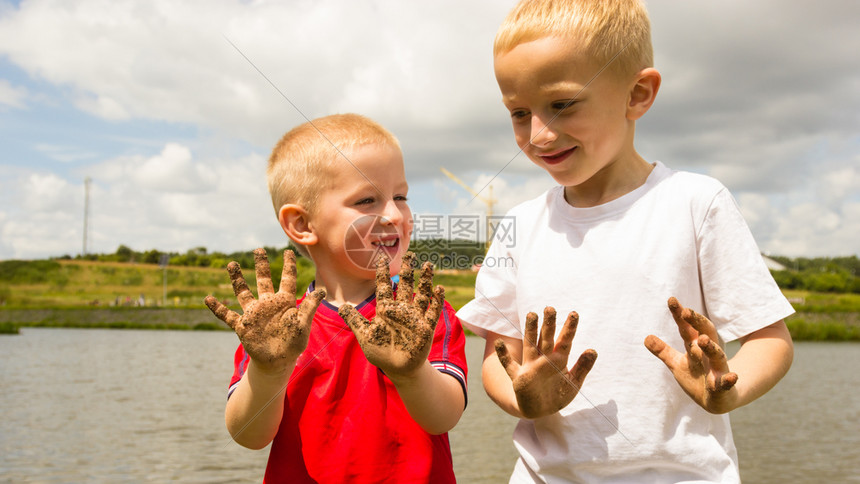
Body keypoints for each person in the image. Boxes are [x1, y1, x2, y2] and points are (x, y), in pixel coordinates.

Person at [456, 1, 795, 482]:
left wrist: (727, 390)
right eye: (518, 112)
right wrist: (522, 398)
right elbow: (499, 352)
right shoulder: (519, 223)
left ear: (637, 94)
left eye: (562, 104)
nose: (538, 134)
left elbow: (770, 339)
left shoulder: (696, 203)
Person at [204, 113, 468, 483]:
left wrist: (411, 373)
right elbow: (248, 435)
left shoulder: (424, 315)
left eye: (401, 196)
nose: (394, 214)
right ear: (302, 224)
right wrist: (268, 369)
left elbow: (444, 417)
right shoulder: (274, 327)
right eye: (366, 201)